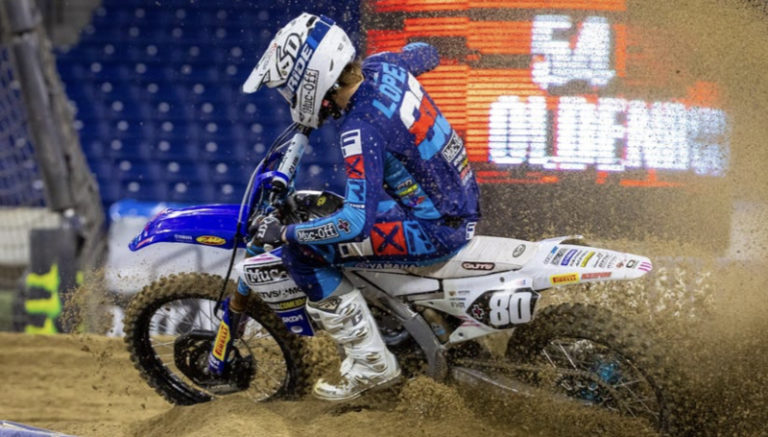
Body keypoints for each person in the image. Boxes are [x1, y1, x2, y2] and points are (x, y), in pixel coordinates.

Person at [240, 13, 480, 401]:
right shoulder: (383, 66)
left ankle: (371, 364)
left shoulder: (360, 129)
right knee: (330, 211)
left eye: (289, 88)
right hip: (455, 197)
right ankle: (393, 323)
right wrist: (433, 49)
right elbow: (426, 53)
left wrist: (285, 232)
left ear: (311, 79)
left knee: (303, 251)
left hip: (434, 228)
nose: (289, 98)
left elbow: (355, 223)